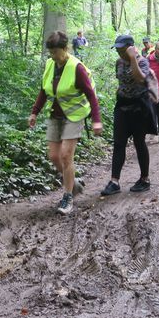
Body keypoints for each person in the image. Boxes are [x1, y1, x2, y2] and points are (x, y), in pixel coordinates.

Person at [28, 31, 103, 215]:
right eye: (50, 53)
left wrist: (96, 120)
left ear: (65, 48)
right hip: (55, 114)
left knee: (65, 155)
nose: (52, 56)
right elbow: (44, 90)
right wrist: (34, 112)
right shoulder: (50, 64)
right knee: (54, 156)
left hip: (74, 115)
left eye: (55, 52)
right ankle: (74, 182)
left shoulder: (76, 68)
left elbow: (91, 95)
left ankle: (68, 197)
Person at [101, 34, 155, 196]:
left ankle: (144, 179)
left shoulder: (143, 62)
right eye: (117, 49)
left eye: (122, 49)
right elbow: (121, 81)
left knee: (139, 143)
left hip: (139, 108)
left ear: (130, 47)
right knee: (119, 144)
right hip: (122, 107)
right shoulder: (118, 62)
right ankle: (114, 181)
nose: (119, 52)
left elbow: (141, 80)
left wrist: (132, 59)